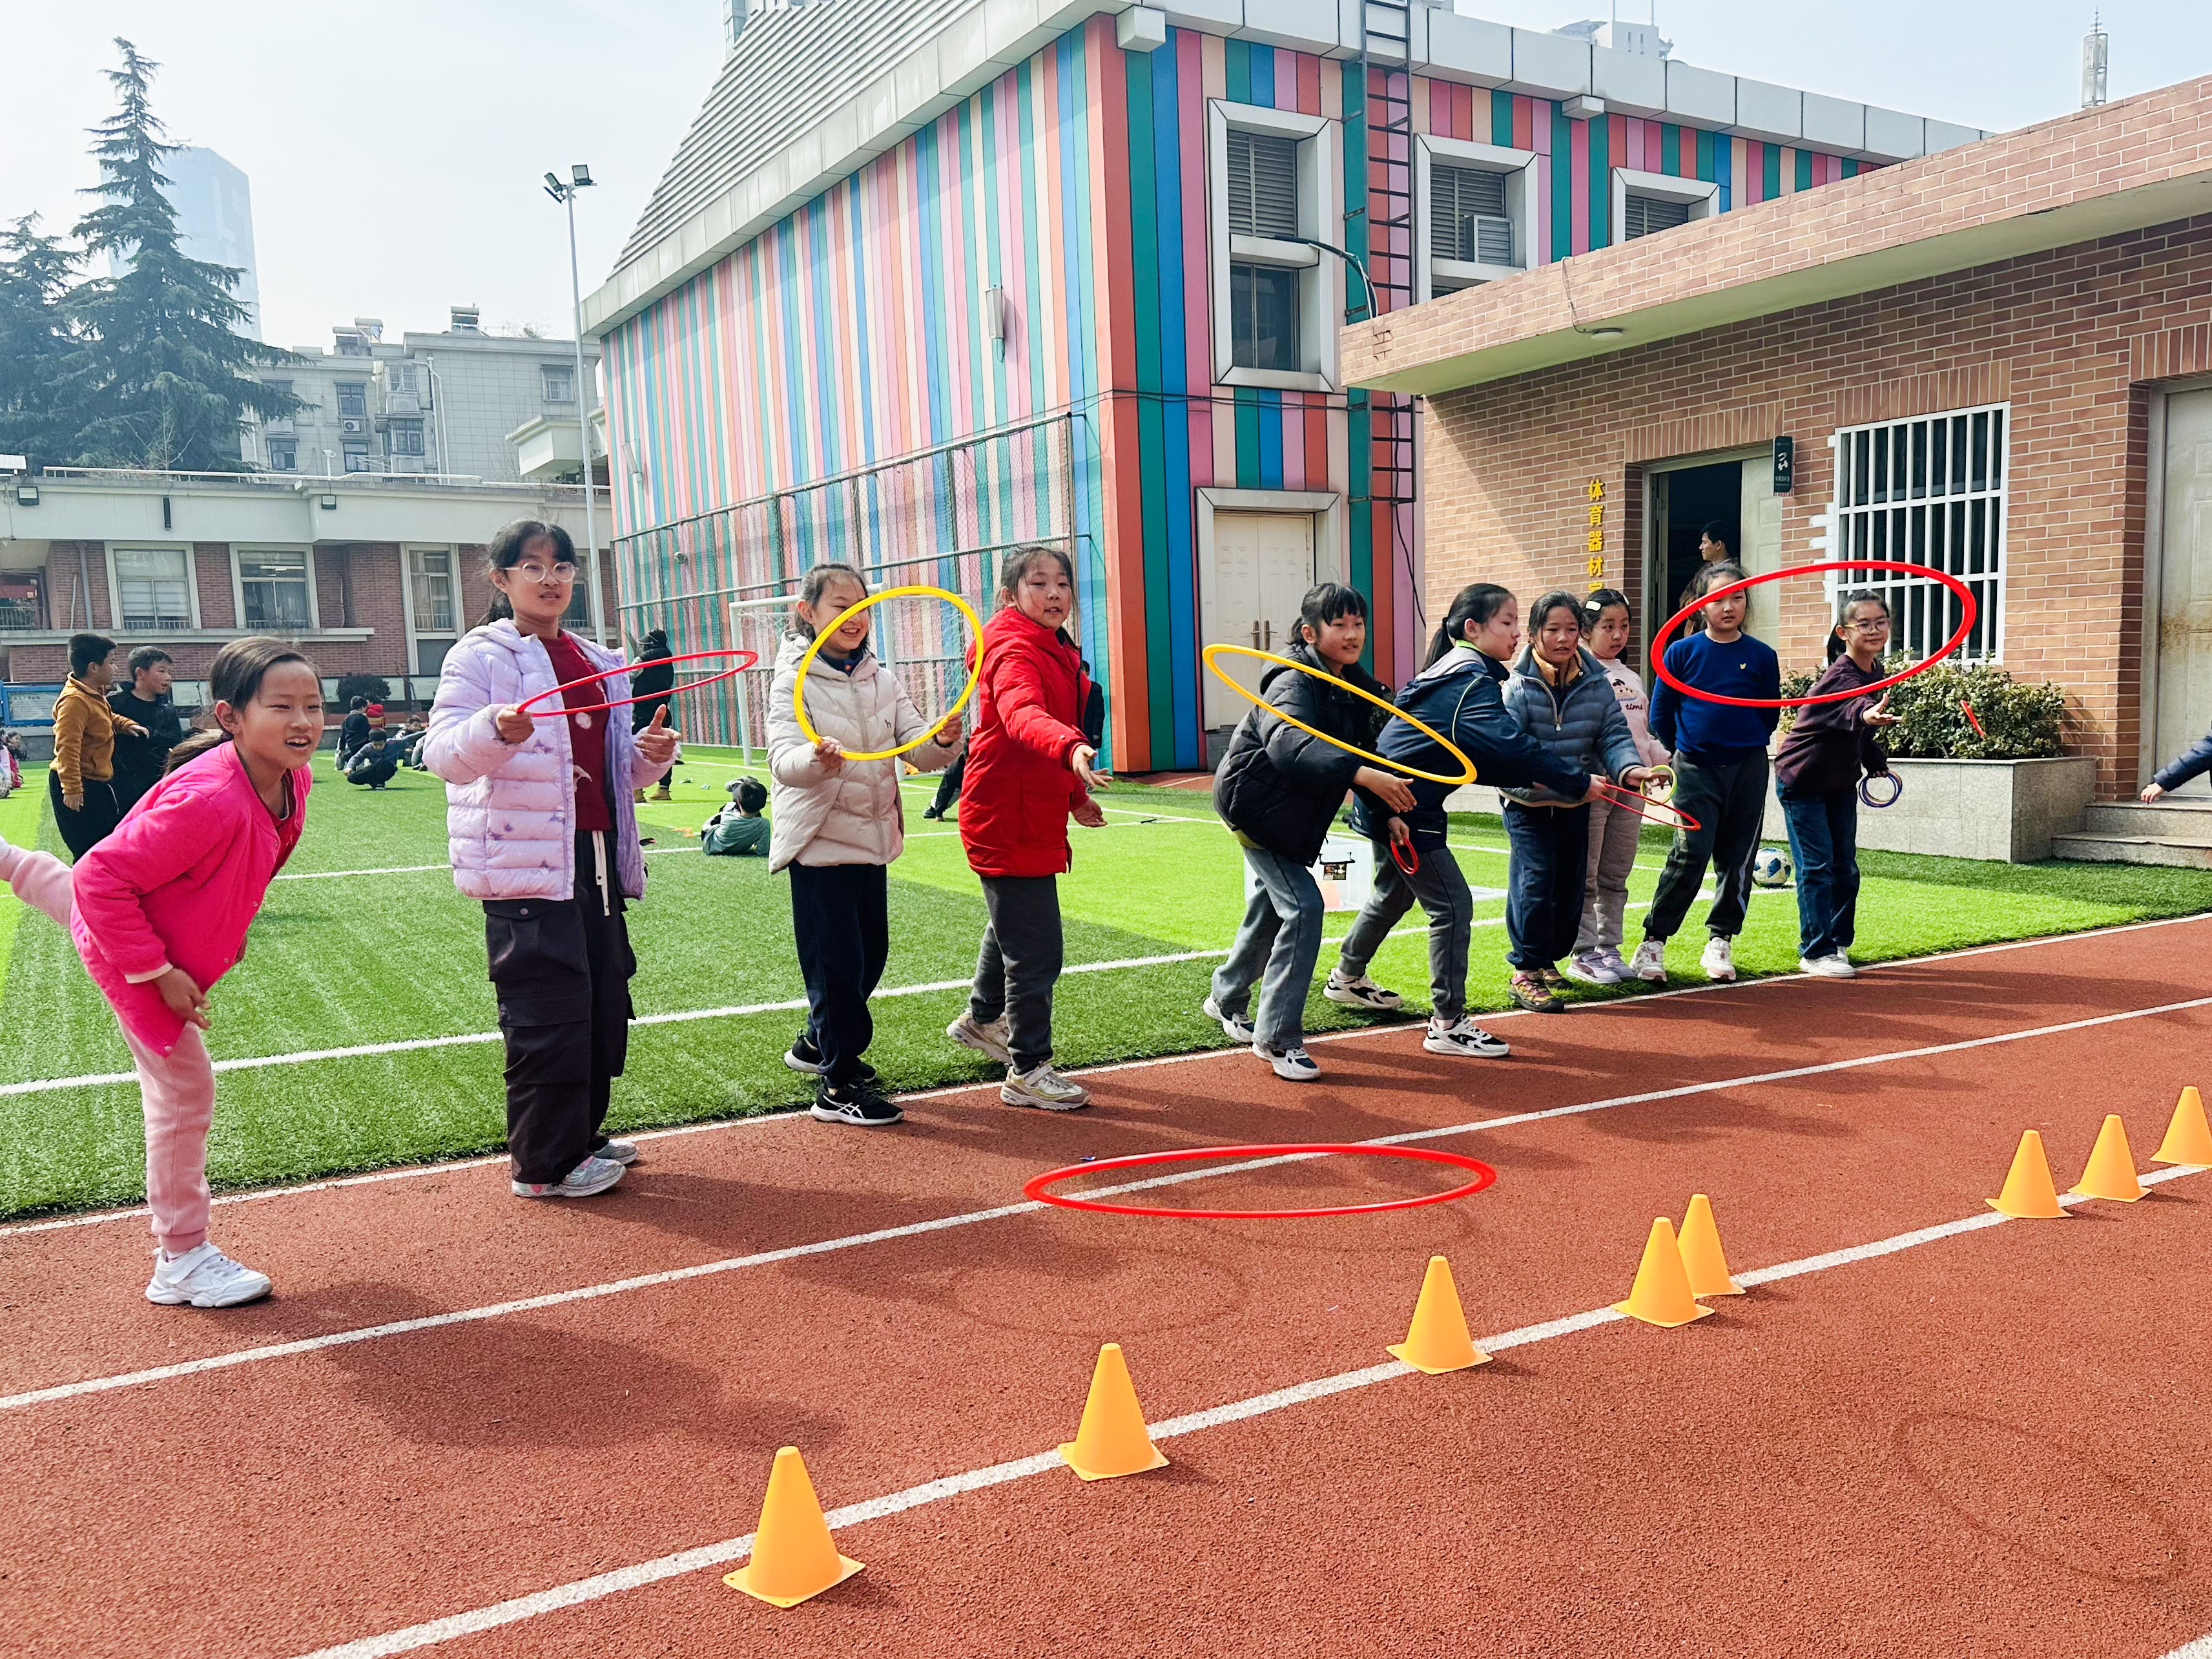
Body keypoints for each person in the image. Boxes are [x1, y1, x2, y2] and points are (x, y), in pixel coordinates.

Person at [0, 636, 324, 1308]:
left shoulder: (291, 777)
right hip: (134, 950)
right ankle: (179, 1259)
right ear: (231, 717)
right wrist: (157, 972)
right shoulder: (210, 798)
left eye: (314, 706)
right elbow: (102, 878)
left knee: (49, 884)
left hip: (144, 925)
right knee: (184, 1094)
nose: (303, 721)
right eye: (282, 706)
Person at [423, 518, 678, 1200]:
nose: (550, 579)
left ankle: (580, 1138)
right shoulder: (479, 657)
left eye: (561, 567)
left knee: (598, 1001)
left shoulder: (597, 660)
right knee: (544, 1012)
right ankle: (542, 1164)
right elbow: (443, 754)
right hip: (526, 864)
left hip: (594, 859)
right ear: (501, 579)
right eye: (532, 567)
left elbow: (613, 772)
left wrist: (650, 759)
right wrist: (494, 730)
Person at [1332, 584, 1592, 1058]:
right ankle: (1447, 1023)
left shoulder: (1456, 674)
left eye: (1516, 622)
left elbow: (1476, 753)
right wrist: (1575, 781)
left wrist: (1538, 780)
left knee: (1393, 895)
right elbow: (1509, 745)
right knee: (1452, 908)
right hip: (1405, 811)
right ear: (1473, 628)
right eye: (1507, 622)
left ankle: (1346, 976)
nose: (1517, 633)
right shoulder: (1468, 681)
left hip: (1391, 806)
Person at [767, 563, 960, 1125]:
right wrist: (816, 760)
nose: (854, 617)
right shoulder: (792, 679)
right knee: (837, 967)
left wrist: (942, 741)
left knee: (869, 957)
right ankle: (837, 1083)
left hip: (873, 839)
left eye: (862, 606)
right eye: (840, 606)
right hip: (819, 841)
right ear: (809, 613)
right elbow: (784, 762)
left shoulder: (882, 677)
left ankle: (814, 1043)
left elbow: (915, 751)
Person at [1207, 583, 1414, 1080]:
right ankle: (1276, 1036)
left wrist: (1385, 809)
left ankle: (1225, 996)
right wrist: (1362, 776)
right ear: (1309, 632)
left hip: (1291, 812)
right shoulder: (1291, 680)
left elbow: (1367, 752)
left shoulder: (1354, 684)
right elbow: (1289, 745)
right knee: (1302, 908)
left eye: (1357, 624)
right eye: (1339, 624)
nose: (1351, 634)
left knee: (1270, 909)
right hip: (1256, 807)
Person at [946, 543, 1110, 1109]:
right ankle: (1028, 1070)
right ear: (1009, 595)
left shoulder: (1052, 645)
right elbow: (1023, 716)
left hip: (1027, 807)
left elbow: (1051, 726)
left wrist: (1074, 795)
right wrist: (1071, 750)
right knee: (1037, 950)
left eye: (1062, 584)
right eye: (1039, 583)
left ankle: (981, 1019)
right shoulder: (1013, 648)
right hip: (1004, 815)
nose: (1055, 594)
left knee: (1012, 928)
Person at [1498, 590, 1652, 1012]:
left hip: (1575, 802)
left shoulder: (1595, 683)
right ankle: (1524, 971)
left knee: (1567, 892)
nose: (1563, 639)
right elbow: (1511, 754)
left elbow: (1613, 737)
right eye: (1552, 630)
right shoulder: (1517, 687)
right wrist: (1558, 782)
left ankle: (1548, 957)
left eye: (1570, 630)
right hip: (1527, 805)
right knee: (1535, 881)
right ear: (1533, 634)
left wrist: (1630, 770)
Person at [1634, 561, 1781, 985]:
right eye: (1717, 598)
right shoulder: (1680, 653)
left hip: (1748, 767)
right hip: (1694, 767)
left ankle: (1720, 940)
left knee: (1737, 859)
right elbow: (1660, 715)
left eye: (1737, 596)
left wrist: (1744, 740)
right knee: (1689, 854)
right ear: (1699, 605)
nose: (1728, 605)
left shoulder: (1760, 656)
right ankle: (1653, 941)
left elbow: (1768, 713)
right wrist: (1687, 750)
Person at [1773, 590, 1899, 978]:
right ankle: (1815, 951)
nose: (1874, 630)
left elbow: (1851, 729)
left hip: (1839, 781)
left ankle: (1838, 944)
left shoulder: (1873, 670)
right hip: (1803, 780)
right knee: (1817, 867)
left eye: (1881, 622)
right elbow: (1850, 710)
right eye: (1864, 624)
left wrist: (1874, 757)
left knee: (1845, 867)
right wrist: (1866, 716)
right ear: (1844, 632)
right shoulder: (1841, 676)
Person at [1566, 589, 1671, 985]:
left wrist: (1663, 762)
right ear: (1587, 631)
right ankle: (1583, 952)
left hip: (1632, 790)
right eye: (1608, 626)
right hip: (1595, 788)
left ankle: (1609, 947)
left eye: (1624, 626)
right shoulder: (1577, 672)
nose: (1617, 634)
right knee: (1587, 874)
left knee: (1615, 873)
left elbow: (1642, 734)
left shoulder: (1631, 677)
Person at [50, 632, 146, 859]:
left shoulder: (93, 695)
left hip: (96, 782)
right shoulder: (74, 701)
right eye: (111, 662)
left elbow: (106, 717)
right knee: (89, 854)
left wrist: (126, 725)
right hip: (79, 784)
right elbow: (67, 747)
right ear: (93, 667)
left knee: (107, 847)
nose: (115, 669)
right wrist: (72, 789)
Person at [109, 646, 184, 816]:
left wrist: (149, 734)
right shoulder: (116, 705)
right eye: (162, 671)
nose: (168, 678)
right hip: (123, 785)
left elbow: (176, 741)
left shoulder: (167, 709)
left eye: (169, 672)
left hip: (159, 783)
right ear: (140, 673)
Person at [632, 628, 676, 803]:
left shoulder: (644, 658)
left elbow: (628, 675)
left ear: (650, 644)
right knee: (664, 746)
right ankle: (664, 789)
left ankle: (637, 791)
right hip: (663, 707)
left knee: (639, 745)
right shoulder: (669, 658)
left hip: (644, 709)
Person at [702, 776, 772, 856]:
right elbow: (763, 851)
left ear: (738, 801)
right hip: (726, 838)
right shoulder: (764, 824)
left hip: (710, 842)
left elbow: (706, 828)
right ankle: (741, 787)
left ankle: (737, 785)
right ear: (763, 805)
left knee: (730, 806)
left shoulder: (727, 815)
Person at [342, 725, 401, 789]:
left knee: (382, 762)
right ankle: (374, 782)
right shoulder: (368, 748)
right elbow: (357, 757)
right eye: (375, 745)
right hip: (373, 768)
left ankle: (380, 783)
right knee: (351, 778)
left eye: (381, 745)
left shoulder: (393, 743)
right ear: (371, 741)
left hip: (389, 767)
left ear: (385, 741)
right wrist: (350, 767)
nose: (378, 747)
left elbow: (409, 739)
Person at [335, 695, 371, 766]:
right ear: (362, 707)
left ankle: (347, 760)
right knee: (360, 764)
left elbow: (343, 735)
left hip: (350, 745)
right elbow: (367, 732)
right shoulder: (362, 718)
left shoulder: (346, 719)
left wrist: (341, 749)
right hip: (361, 745)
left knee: (352, 764)